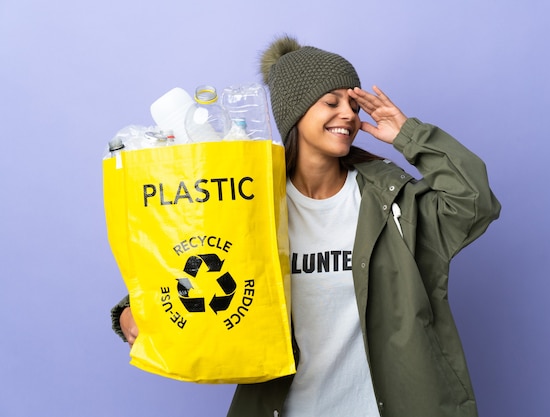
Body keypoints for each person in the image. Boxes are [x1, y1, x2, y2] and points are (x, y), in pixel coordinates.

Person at [111, 35, 501, 417]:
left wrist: (409, 136)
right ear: (294, 113)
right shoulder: (251, 202)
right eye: (331, 102)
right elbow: (196, 256)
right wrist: (131, 310)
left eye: (353, 103)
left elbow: (474, 201)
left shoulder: (392, 201)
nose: (348, 114)